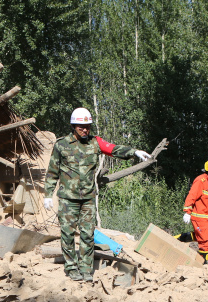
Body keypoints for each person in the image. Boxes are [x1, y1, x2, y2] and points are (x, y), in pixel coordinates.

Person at [44, 107, 151, 282]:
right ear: (73, 126)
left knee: (87, 234)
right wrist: (48, 194)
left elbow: (114, 149)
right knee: (68, 234)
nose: (85, 130)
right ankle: (71, 268)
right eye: (81, 127)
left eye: (88, 126)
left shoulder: (95, 143)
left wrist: (134, 152)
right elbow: (52, 172)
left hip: (87, 198)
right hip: (67, 199)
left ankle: (86, 270)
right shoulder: (61, 145)